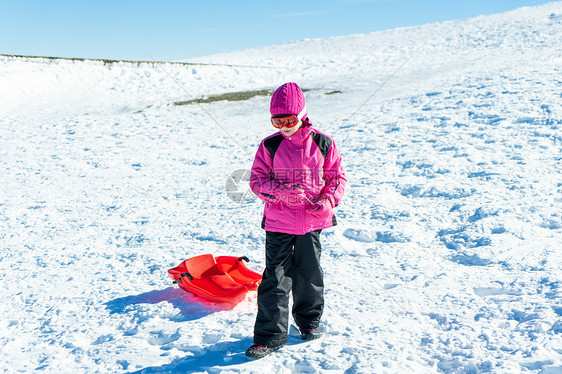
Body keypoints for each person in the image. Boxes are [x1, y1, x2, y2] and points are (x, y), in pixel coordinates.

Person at [245, 82, 346, 359]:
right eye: (277, 120)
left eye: (290, 119)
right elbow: (257, 180)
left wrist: (327, 201)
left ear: (302, 114)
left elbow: (337, 179)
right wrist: (282, 194)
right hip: (278, 223)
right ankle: (269, 337)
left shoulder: (323, 143)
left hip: (312, 223)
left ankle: (309, 322)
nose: (285, 125)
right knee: (275, 279)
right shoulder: (270, 145)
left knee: (309, 274)